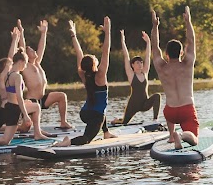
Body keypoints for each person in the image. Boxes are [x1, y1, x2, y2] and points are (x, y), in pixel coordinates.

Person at [56, 17, 116, 146]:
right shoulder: (100, 75)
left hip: (85, 113)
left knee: (102, 108)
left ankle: (106, 132)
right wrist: (108, 32)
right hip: (95, 116)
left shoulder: (83, 75)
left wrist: (73, 35)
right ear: (94, 64)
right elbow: (106, 52)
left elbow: (79, 53)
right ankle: (67, 142)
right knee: (86, 139)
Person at [151, 5, 199, 150]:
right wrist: (188, 21)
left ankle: (172, 135)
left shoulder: (161, 66)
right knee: (194, 139)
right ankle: (182, 135)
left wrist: (155, 26)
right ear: (181, 53)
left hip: (170, 111)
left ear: (166, 54)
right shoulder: (187, 63)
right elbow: (191, 41)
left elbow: (154, 46)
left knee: (169, 108)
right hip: (186, 109)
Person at [17, 18, 73, 130]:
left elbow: (42, 47)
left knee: (62, 96)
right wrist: (21, 32)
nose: (34, 51)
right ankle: (3, 128)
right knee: (26, 128)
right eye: (31, 50)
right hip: (32, 101)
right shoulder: (26, 66)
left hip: (43, 99)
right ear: (27, 56)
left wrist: (44, 33)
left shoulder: (37, 63)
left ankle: (63, 122)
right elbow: (22, 48)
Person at [111, 29, 161, 125]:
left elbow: (148, 56)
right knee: (124, 122)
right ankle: (117, 120)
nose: (140, 64)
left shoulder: (145, 72)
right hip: (133, 104)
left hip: (144, 104)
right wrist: (123, 41)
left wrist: (148, 42)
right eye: (137, 63)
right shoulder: (131, 75)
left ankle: (155, 120)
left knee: (157, 96)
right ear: (132, 65)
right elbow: (126, 57)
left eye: (141, 62)